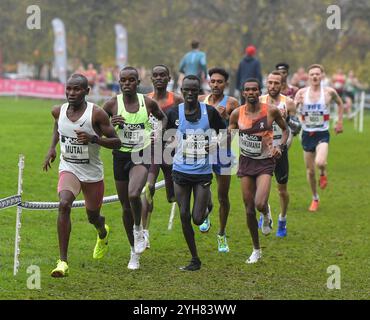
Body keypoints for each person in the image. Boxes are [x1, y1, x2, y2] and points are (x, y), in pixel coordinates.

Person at [43, 74, 121, 277]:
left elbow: (116, 142)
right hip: (68, 168)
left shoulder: (97, 114)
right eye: (68, 89)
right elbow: (58, 127)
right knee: (64, 204)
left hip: (92, 174)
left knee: (92, 216)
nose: (71, 93)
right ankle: (62, 262)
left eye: (76, 89)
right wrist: (52, 147)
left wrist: (94, 139)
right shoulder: (58, 111)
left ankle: (102, 231)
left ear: (86, 91)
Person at [103, 66, 167, 270]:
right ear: (119, 82)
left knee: (133, 195)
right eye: (123, 80)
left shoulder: (147, 102)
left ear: (138, 83)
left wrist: (159, 132)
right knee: (125, 207)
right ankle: (133, 253)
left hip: (141, 154)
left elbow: (162, 117)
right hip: (120, 157)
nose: (127, 83)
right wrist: (111, 123)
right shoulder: (112, 103)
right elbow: (97, 125)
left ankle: (139, 229)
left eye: (131, 80)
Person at [166, 75, 226, 270]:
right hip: (180, 170)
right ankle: (195, 259)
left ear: (199, 92)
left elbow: (225, 133)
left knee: (197, 218)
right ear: (181, 91)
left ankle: (208, 204)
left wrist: (214, 144)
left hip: (202, 172)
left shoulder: (209, 112)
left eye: (194, 90)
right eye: (186, 90)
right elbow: (166, 138)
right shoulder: (174, 113)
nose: (190, 93)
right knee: (184, 215)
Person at [228, 78, 288, 263]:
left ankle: (266, 213)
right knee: (248, 209)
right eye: (248, 90)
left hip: (265, 161)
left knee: (260, 203)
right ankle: (256, 249)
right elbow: (229, 134)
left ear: (258, 91)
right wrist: (218, 146)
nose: (251, 92)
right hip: (246, 161)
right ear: (243, 93)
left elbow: (285, 130)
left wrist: (280, 146)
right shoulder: (237, 114)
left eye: (255, 89)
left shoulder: (270, 111)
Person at [141, 64, 184, 247]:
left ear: (169, 79)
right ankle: (144, 233)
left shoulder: (178, 100)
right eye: (155, 75)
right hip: (151, 152)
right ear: (151, 79)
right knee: (147, 189)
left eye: (162, 75)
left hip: (172, 152)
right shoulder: (144, 100)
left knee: (173, 197)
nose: (159, 78)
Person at [198, 67, 239, 252]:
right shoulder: (200, 101)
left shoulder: (232, 103)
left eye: (219, 82)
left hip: (223, 153)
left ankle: (221, 234)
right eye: (213, 81)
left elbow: (236, 131)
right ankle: (206, 211)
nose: (215, 84)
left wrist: (225, 118)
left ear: (226, 84)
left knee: (223, 196)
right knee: (204, 191)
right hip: (204, 152)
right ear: (208, 82)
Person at [294, 64, 343, 212]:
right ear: (308, 77)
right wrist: (297, 103)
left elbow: (340, 104)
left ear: (322, 76)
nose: (315, 76)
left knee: (320, 162)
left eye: (317, 74)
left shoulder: (329, 92)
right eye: (312, 74)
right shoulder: (301, 93)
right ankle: (315, 198)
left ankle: (323, 172)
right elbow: (291, 111)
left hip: (322, 133)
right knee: (310, 171)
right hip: (307, 134)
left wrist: (339, 122)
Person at [259, 71, 300, 237]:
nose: (273, 86)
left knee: (282, 190)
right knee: (261, 188)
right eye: (270, 83)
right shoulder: (259, 100)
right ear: (266, 83)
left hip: (280, 151)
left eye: (276, 83)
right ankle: (265, 213)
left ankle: (282, 219)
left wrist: (287, 120)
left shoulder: (288, 103)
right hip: (262, 151)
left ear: (282, 85)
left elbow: (297, 128)